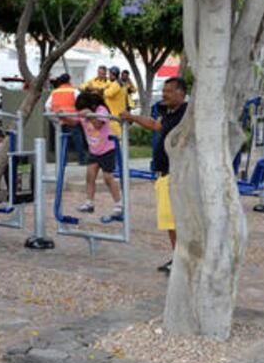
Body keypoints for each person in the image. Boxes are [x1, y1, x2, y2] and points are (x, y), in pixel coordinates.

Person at [121, 76, 187, 274]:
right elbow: (155, 126)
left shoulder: (186, 113)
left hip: (174, 175)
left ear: (180, 93)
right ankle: (178, 257)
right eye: (164, 91)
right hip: (164, 175)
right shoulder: (170, 113)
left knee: (174, 221)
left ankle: (181, 260)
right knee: (170, 221)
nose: (164, 94)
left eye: (169, 91)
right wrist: (132, 117)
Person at [75, 91, 123, 219]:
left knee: (108, 177)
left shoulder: (101, 110)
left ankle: (119, 204)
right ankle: (89, 203)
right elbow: (72, 121)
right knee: (90, 176)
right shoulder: (84, 112)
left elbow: (98, 125)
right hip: (94, 150)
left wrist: (88, 115)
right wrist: (60, 114)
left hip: (107, 149)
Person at [46, 73, 85, 165]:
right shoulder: (74, 91)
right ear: (69, 80)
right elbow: (81, 104)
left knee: (62, 141)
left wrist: (54, 120)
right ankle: (81, 160)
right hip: (73, 121)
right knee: (78, 140)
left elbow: (47, 106)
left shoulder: (55, 92)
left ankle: (62, 161)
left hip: (60, 121)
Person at [100, 65, 128, 137]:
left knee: (117, 138)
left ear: (113, 75)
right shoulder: (118, 83)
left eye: (110, 74)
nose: (108, 75)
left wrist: (102, 90)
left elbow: (109, 93)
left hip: (114, 116)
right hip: (116, 114)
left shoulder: (117, 84)